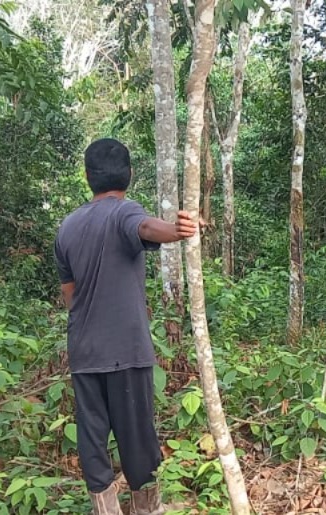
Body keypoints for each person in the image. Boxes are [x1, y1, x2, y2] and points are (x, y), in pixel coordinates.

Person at [54, 138, 198, 515]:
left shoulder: (67, 227)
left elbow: (70, 295)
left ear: (88, 177)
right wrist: (177, 230)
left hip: (84, 352)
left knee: (92, 438)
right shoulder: (124, 211)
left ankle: (106, 509)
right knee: (137, 439)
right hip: (125, 350)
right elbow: (147, 228)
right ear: (129, 175)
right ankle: (147, 509)